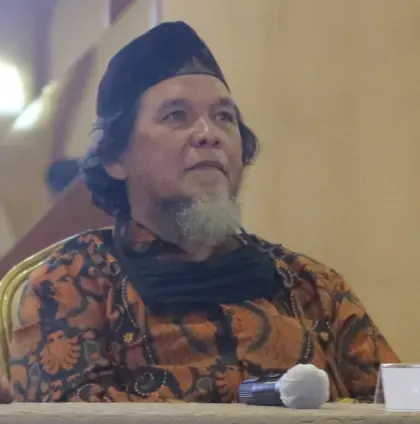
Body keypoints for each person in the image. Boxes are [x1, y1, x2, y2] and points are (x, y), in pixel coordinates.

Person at [9, 21, 399, 403]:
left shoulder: (312, 286)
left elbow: (400, 405)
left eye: (224, 117)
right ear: (115, 158)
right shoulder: (74, 283)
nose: (209, 133)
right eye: (175, 115)